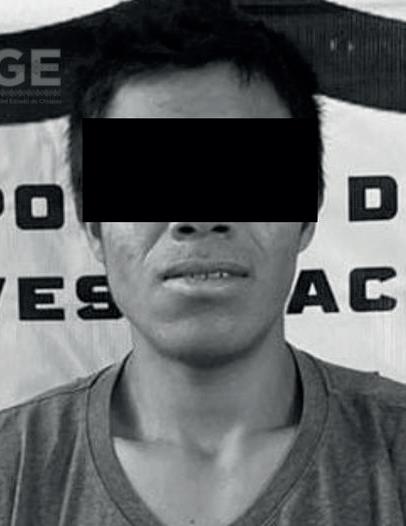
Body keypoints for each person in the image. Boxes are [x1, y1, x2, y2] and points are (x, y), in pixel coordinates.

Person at [1, 1, 405, 525]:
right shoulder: (14, 469)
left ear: (306, 216)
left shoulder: (394, 452)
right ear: (94, 227)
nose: (199, 217)